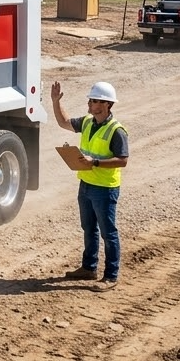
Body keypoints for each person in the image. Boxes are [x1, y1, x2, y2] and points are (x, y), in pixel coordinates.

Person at [50, 80, 129, 291]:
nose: (89, 103)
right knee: (88, 228)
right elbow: (64, 122)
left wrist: (93, 162)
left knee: (108, 232)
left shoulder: (116, 131)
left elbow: (122, 160)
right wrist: (55, 102)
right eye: (90, 100)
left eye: (93, 100)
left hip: (104, 189)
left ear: (105, 105)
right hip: (85, 184)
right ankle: (89, 268)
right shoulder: (87, 122)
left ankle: (111, 276)